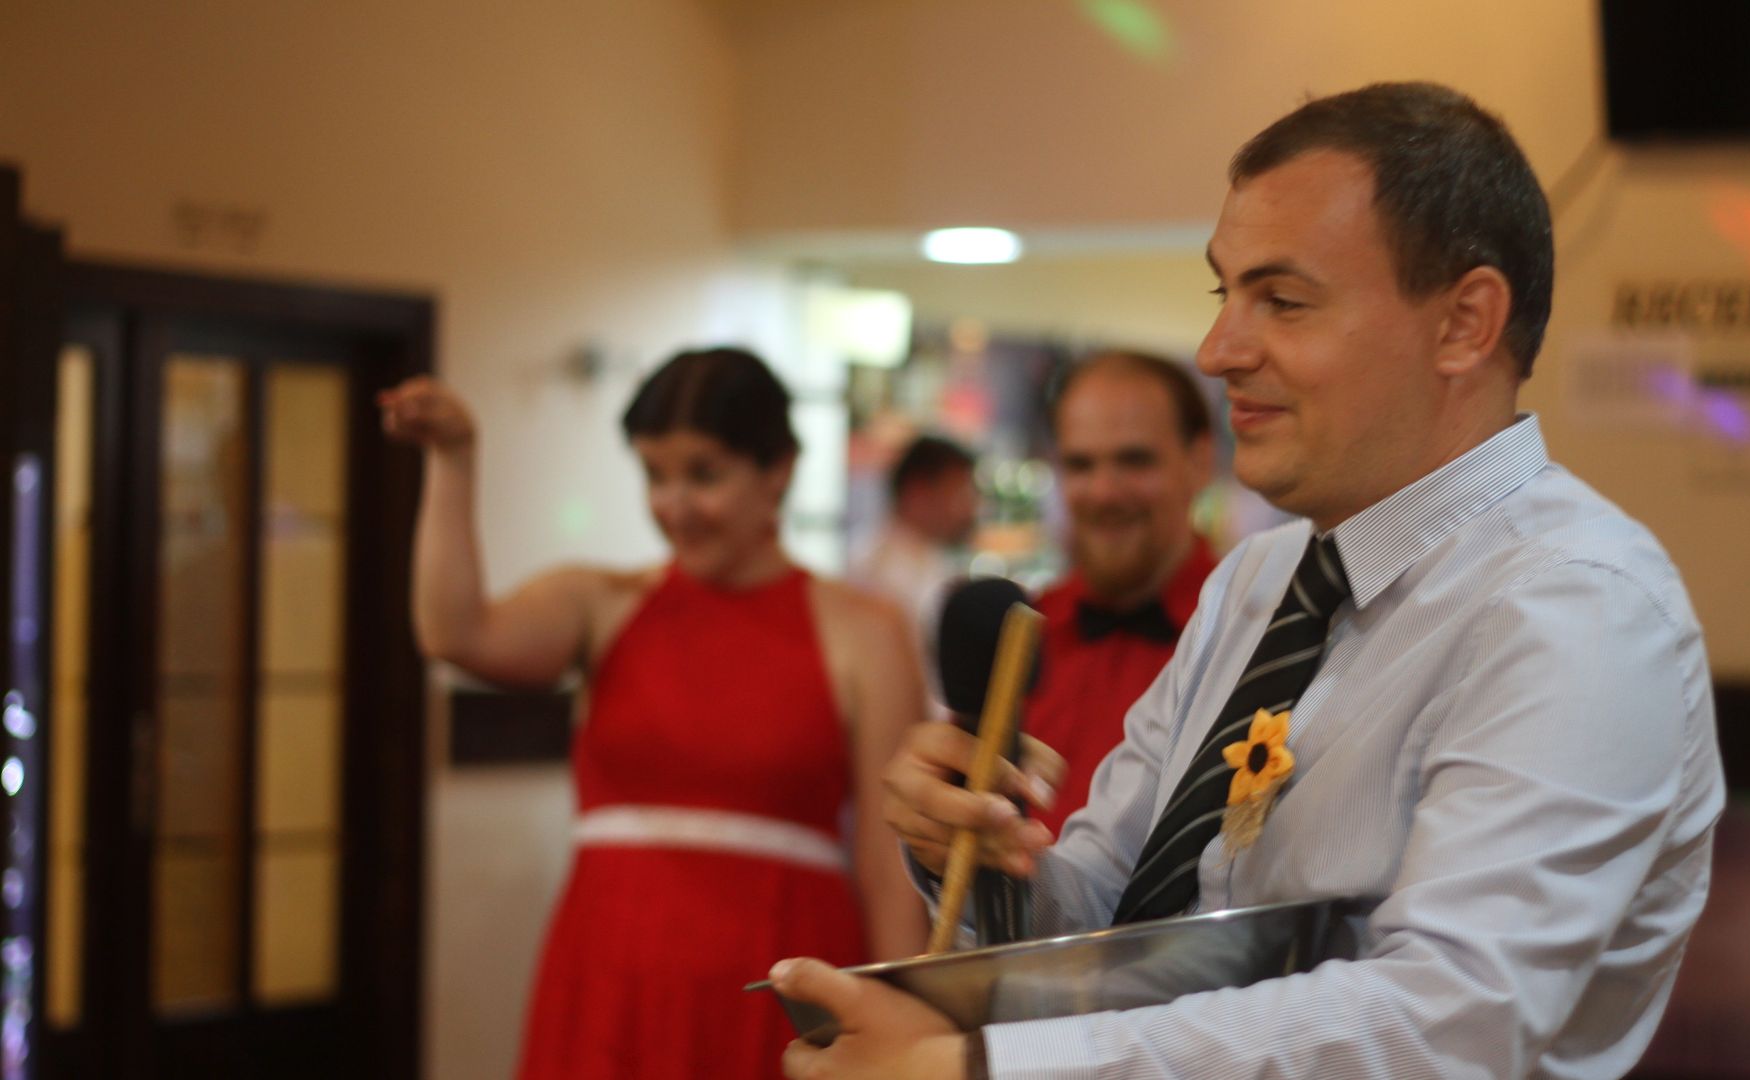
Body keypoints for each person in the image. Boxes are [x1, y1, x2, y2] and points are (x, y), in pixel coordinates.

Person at [772, 82, 1726, 1079]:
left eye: (1283, 301)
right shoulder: (1261, 580)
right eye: (1223, 294)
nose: (1217, 351)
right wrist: (973, 851)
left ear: (1464, 323)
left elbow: (1449, 1020)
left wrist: (980, 1069)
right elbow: (1110, 912)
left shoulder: (1577, 604)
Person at [378, 347, 929, 1079]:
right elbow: (454, 632)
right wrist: (453, 459)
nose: (675, 506)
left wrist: (906, 1038)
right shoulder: (602, 603)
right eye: (654, 475)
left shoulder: (865, 630)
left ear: (779, 470)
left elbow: (890, 868)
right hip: (609, 972)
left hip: (779, 979)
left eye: (704, 474)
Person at [1022, 350, 1218, 835]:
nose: (1104, 493)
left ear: (1200, 462)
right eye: (1080, 465)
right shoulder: (1021, 633)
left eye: (1134, 461)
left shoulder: (1251, 636)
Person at [850, 434, 978, 673]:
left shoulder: (926, 557)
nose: (971, 509)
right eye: (960, 493)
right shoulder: (880, 570)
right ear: (918, 492)